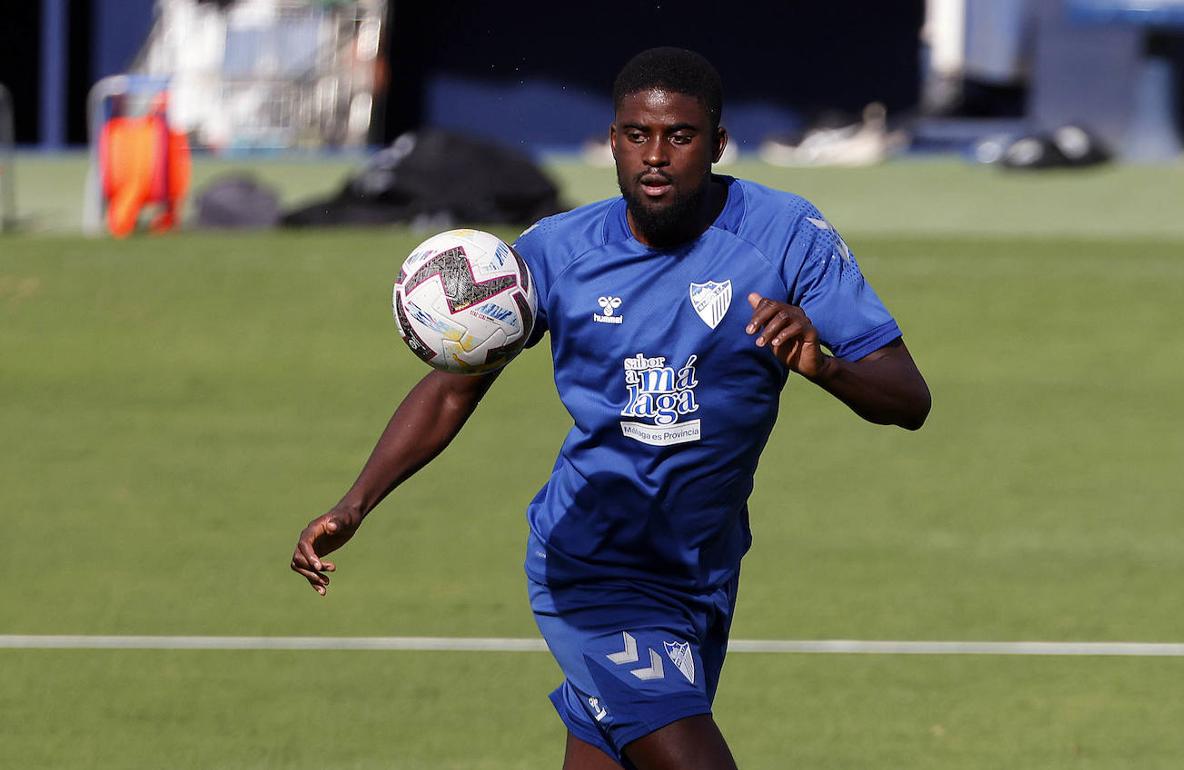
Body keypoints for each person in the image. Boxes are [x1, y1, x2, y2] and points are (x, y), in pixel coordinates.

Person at [290, 47, 931, 770]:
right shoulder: (556, 252)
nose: (654, 156)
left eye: (679, 137)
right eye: (636, 135)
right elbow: (452, 386)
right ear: (613, 140)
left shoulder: (785, 236)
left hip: (702, 567)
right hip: (591, 566)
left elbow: (907, 399)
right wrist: (357, 502)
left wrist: (825, 365)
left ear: (717, 144)